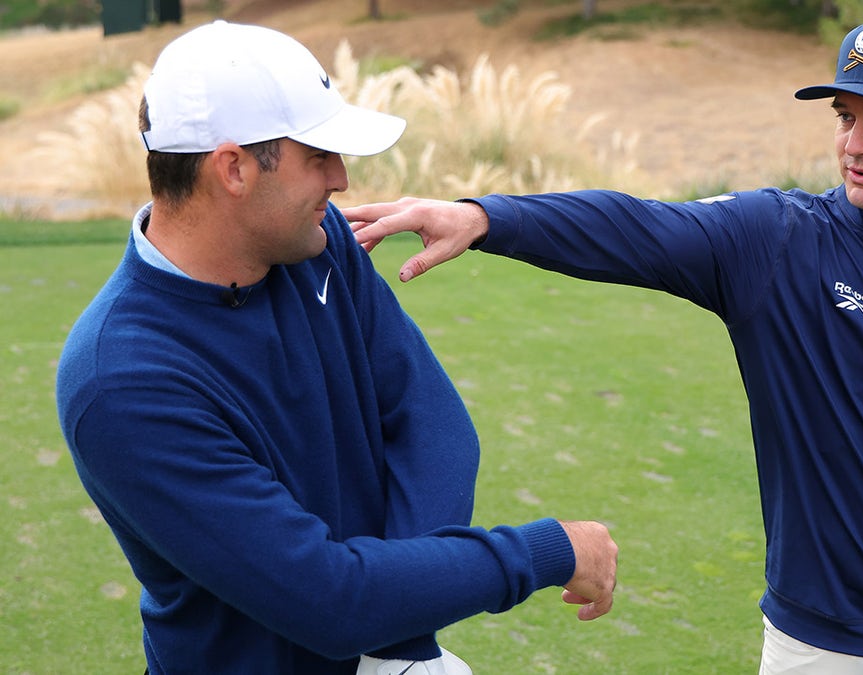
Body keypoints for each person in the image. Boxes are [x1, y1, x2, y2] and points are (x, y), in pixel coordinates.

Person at [344, 14, 863, 675]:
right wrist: (486, 217)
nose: (854, 143)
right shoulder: (781, 240)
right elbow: (637, 226)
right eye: (845, 116)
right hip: (813, 653)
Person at [55, 20, 618, 675]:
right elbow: (325, 597)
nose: (343, 178)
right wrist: (546, 551)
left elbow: (431, 422)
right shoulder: (123, 380)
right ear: (232, 168)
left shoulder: (318, 246)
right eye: (318, 155)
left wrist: (395, 638)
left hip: (380, 649)